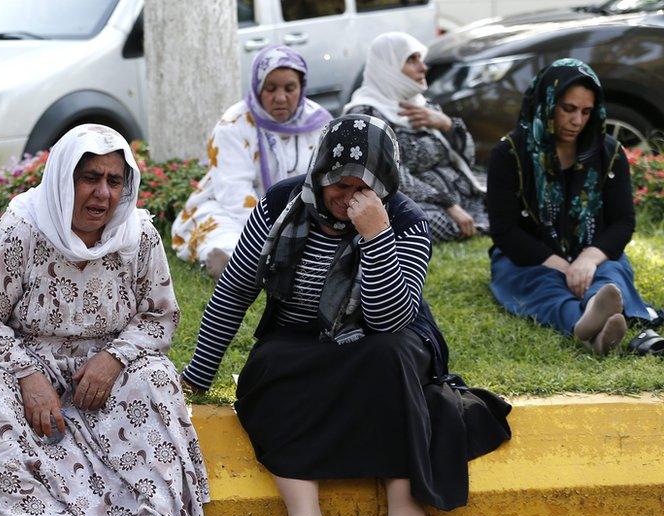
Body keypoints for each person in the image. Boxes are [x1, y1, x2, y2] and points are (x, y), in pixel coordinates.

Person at [181, 115, 510, 516]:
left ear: (383, 184)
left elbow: (389, 319)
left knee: (389, 358)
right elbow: (236, 288)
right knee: (264, 369)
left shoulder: (406, 220)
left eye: (362, 186)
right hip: (302, 338)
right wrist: (198, 372)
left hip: (383, 340)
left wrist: (376, 236)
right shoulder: (281, 202)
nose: (346, 197)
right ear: (319, 173)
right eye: (338, 183)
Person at [0, 124, 210, 516]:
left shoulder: (138, 236)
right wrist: (27, 375)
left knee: (155, 380)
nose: (102, 194)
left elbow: (159, 318)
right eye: (89, 178)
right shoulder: (21, 229)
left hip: (105, 371)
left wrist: (114, 359)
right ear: (62, 179)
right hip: (22, 361)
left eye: (114, 181)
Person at [486, 58, 659, 354]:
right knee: (542, 286)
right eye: (568, 109)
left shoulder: (608, 151)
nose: (578, 121)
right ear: (547, 102)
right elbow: (504, 230)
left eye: (586, 111)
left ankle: (596, 309)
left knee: (610, 275)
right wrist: (564, 266)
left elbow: (622, 222)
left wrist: (588, 260)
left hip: (593, 251)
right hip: (531, 257)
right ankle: (588, 323)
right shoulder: (509, 153)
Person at [171, 44, 331, 277]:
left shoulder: (319, 123)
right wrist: (274, 233)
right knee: (227, 237)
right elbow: (234, 193)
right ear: (257, 88)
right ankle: (229, 263)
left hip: (302, 214)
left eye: (290, 88)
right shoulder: (233, 124)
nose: (280, 98)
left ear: (302, 87)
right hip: (232, 209)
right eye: (270, 88)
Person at [344, 32, 487, 242]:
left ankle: (478, 220)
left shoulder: (422, 105)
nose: (423, 67)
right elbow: (391, 174)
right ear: (387, 67)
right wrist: (448, 204)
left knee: (508, 191)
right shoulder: (366, 114)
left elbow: (468, 158)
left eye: (420, 58)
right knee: (416, 221)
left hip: (462, 194)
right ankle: (473, 223)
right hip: (417, 203)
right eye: (411, 60)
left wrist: (446, 124)